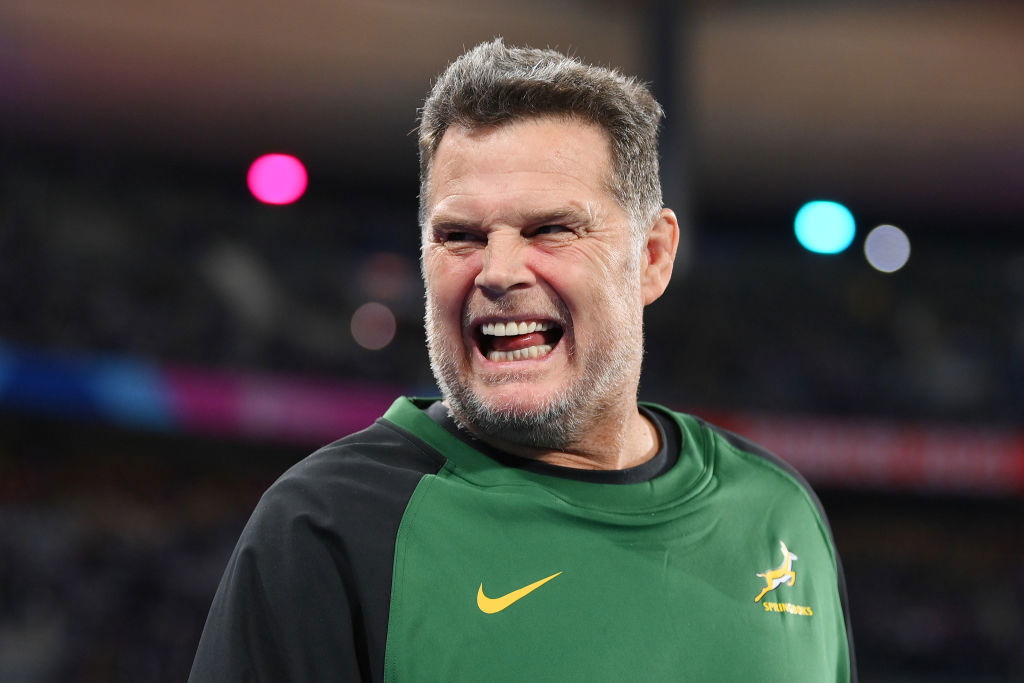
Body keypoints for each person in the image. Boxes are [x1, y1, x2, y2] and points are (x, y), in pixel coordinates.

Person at [190, 38, 856, 681]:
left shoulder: (778, 514)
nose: (498, 271)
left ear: (652, 257)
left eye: (551, 229)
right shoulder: (325, 526)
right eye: (460, 235)